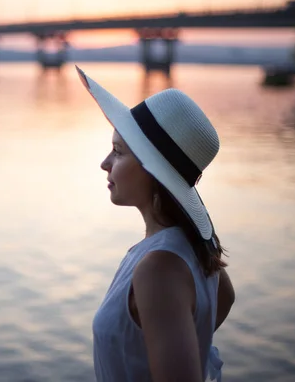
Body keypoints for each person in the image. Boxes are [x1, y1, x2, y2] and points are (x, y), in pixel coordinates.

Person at [76, 66, 235, 382]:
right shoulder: (191, 249)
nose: (104, 163)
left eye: (118, 152)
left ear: (153, 172)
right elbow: (224, 299)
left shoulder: (158, 268)